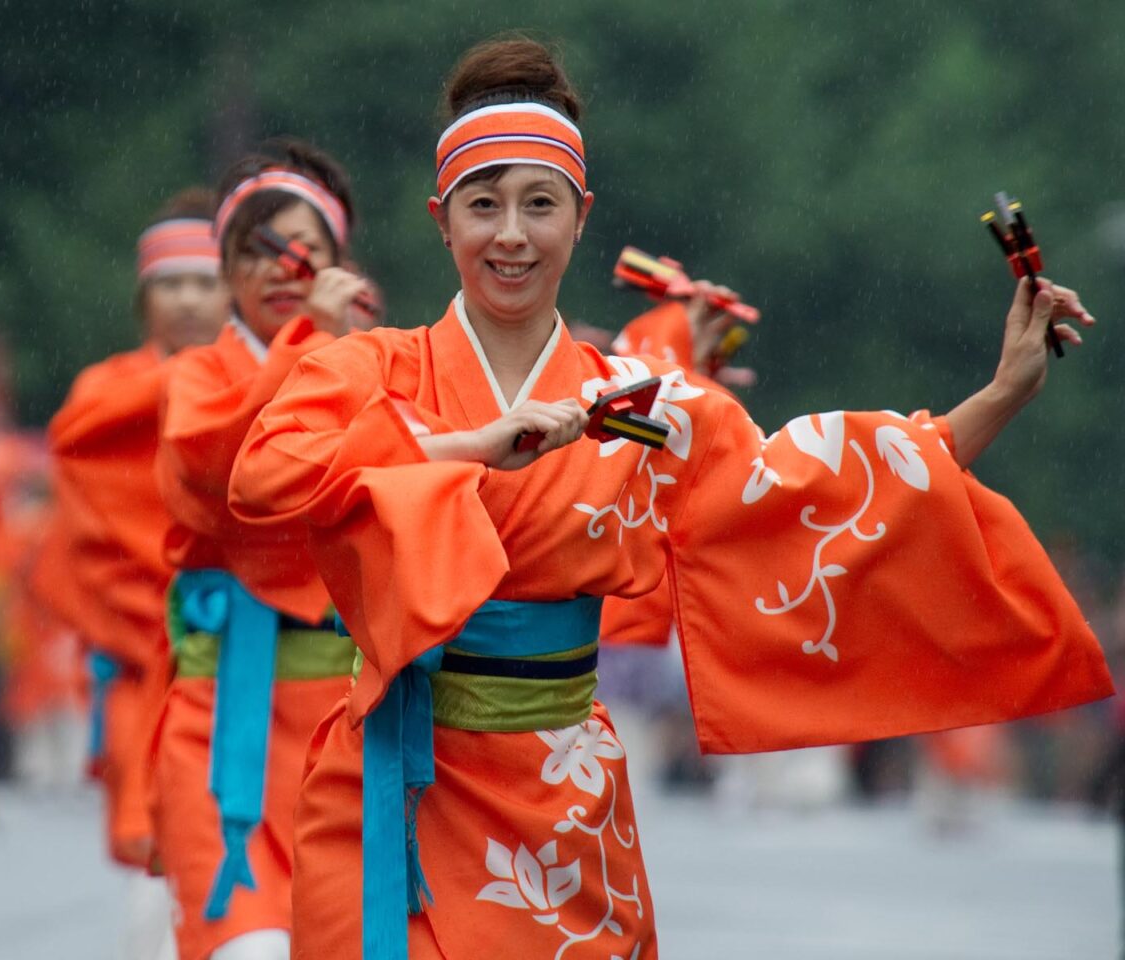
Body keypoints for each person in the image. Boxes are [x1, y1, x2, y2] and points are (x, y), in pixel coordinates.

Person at [229, 38, 1111, 960]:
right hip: (389, 790)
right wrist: (473, 447)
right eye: (482, 206)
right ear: (439, 221)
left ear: (582, 218)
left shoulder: (638, 407)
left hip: (559, 799)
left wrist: (1001, 392)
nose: (512, 235)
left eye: (541, 204)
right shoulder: (369, 367)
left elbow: (827, 493)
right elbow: (268, 477)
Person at [152, 138, 368, 960]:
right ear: (228, 269)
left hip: (347, 729)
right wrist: (319, 341)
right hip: (220, 720)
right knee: (246, 949)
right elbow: (226, 469)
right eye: (260, 251)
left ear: (341, 262)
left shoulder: (374, 365)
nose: (285, 269)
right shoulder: (196, 378)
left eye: (307, 252)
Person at [46, 188, 228, 959]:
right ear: (142, 296)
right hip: (142, 645)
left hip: (245, 640)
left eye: (204, 281)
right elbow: (86, 525)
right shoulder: (105, 390)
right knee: (160, 854)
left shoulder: (259, 379)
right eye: (170, 283)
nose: (187, 299)